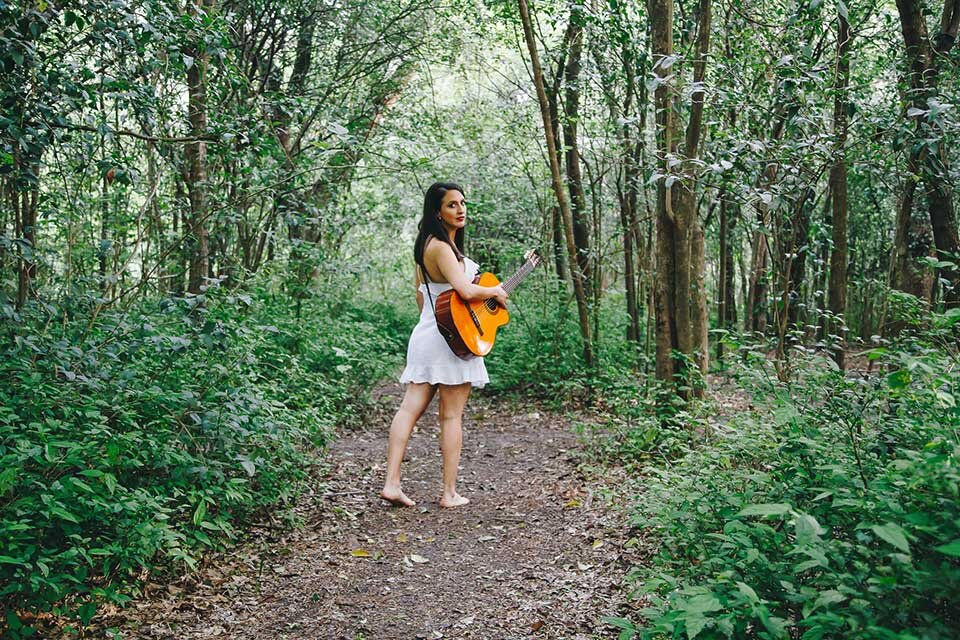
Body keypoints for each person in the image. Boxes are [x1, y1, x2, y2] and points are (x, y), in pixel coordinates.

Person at [380, 182, 508, 508]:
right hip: (451, 340)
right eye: (452, 204)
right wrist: (493, 293)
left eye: (463, 203)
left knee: (409, 409)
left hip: (427, 334)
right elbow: (465, 290)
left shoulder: (429, 247)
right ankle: (449, 493)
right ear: (437, 211)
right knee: (450, 417)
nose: (461, 209)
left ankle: (392, 483)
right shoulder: (441, 247)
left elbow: (422, 298)